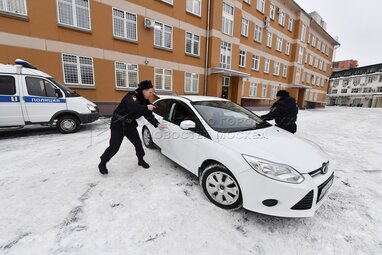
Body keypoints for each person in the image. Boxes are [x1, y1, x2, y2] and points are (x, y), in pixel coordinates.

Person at [98, 80, 166, 175]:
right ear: (144, 90)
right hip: (118, 124)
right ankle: (102, 163)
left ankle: (140, 160)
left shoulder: (145, 100)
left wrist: (157, 124)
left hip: (130, 125)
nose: (151, 94)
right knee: (114, 147)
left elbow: (148, 115)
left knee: (138, 143)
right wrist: (146, 107)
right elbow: (133, 108)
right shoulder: (131, 96)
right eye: (150, 92)